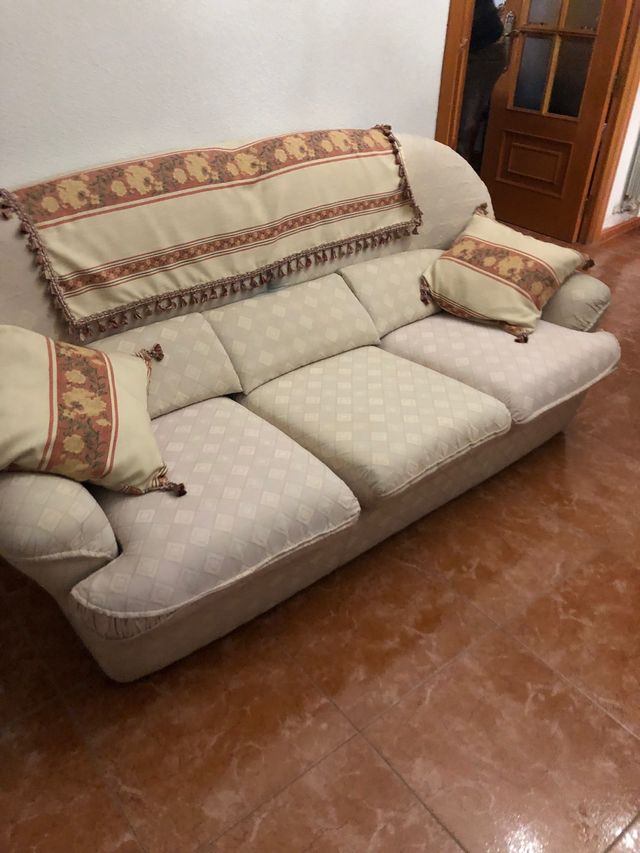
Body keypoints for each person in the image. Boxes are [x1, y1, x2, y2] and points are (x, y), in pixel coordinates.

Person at [457, 0, 507, 164]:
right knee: (460, 121)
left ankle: (459, 171)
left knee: (465, 123)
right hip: (468, 46)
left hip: (485, 51)